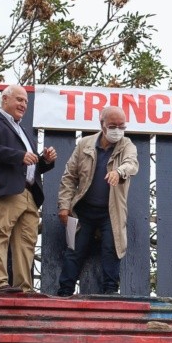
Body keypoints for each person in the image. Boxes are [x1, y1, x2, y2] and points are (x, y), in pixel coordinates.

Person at [0, 85, 57, 293]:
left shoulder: (22, 129)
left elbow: (30, 165)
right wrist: (19, 156)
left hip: (30, 193)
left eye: (25, 101)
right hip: (7, 190)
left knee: (27, 242)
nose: (24, 104)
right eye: (19, 99)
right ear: (4, 99)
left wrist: (45, 160)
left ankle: (24, 288)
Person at [56, 106, 139, 296]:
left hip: (111, 211)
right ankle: (64, 292)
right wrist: (64, 205)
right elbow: (69, 177)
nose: (117, 130)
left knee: (112, 248)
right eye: (113, 126)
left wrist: (119, 172)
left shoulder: (127, 145)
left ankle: (110, 292)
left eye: (122, 126)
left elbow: (132, 164)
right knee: (74, 250)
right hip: (83, 209)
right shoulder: (84, 144)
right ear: (102, 124)